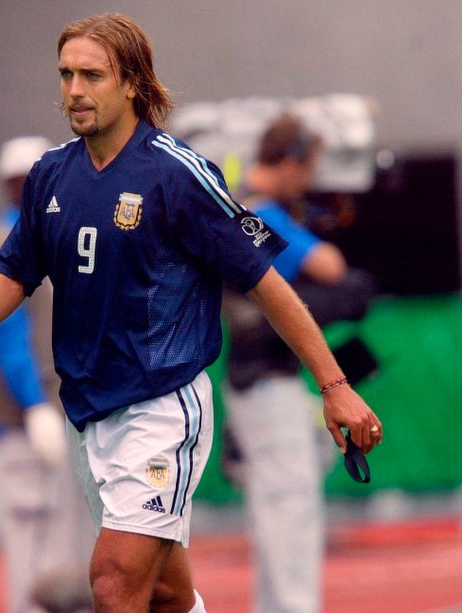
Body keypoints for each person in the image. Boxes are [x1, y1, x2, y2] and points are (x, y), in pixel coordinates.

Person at [0, 13, 383, 613]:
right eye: (66, 75)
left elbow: (267, 283)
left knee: (113, 582)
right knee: (164, 595)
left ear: (132, 83)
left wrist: (334, 385)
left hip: (162, 407)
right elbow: (11, 275)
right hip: (87, 412)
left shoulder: (179, 174)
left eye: (92, 75)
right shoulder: (50, 176)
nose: (74, 90)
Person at [221, 115, 377, 613]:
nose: (309, 181)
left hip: (260, 381)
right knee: (290, 508)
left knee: (280, 508)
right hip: (263, 380)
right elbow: (328, 266)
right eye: (308, 169)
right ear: (289, 163)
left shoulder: (240, 203)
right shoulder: (255, 210)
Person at [0, 136, 94, 613]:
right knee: (33, 518)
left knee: (66, 520)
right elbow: (6, 334)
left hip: (62, 404)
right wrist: (34, 405)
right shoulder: (2, 243)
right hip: (27, 414)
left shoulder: (56, 232)